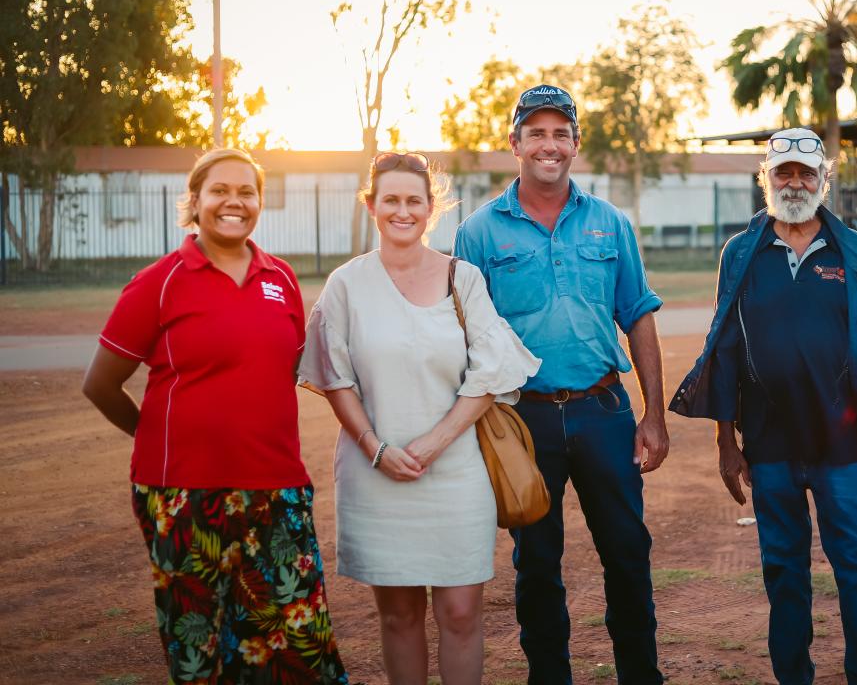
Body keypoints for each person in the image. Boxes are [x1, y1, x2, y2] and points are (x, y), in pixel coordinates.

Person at [81, 148, 349, 684]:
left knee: (297, 643)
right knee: (198, 640)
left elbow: (286, 370)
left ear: (260, 202)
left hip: (276, 490)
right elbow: (101, 384)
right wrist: (155, 433)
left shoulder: (283, 280)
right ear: (196, 200)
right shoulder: (159, 281)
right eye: (220, 190)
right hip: (182, 495)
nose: (234, 201)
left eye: (246, 191)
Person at [297, 152, 540, 685]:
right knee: (398, 616)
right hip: (374, 474)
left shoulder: (463, 278)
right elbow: (334, 378)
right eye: (391, 200)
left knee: (460, 613)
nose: (402, 211)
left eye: (414, 201)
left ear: (430, 209)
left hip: (455, 474)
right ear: (371, 206)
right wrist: (375, 448)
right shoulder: (345, 285)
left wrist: (433, 443)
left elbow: (492, 372)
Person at [453, 84, 668, 685]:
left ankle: (641, 676)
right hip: (525, 421)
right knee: (537, 565)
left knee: (627, 554)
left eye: (560, 132)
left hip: (604, 411)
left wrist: (652, 416)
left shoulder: (610, 224)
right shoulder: (479, 233)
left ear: (575, 142)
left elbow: (639, 315)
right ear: (515, 142)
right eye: (536, 132)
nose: (549, 144)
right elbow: (467, 336)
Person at [671, 128, 857, 685]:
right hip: (768, 444)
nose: (795, 182)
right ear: (766, 179)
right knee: (784, 572)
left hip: (842, 443)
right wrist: (727, 444)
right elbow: (722, 346)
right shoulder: (742, 254)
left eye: (805, 172)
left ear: (825, 179)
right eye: (784, 172)